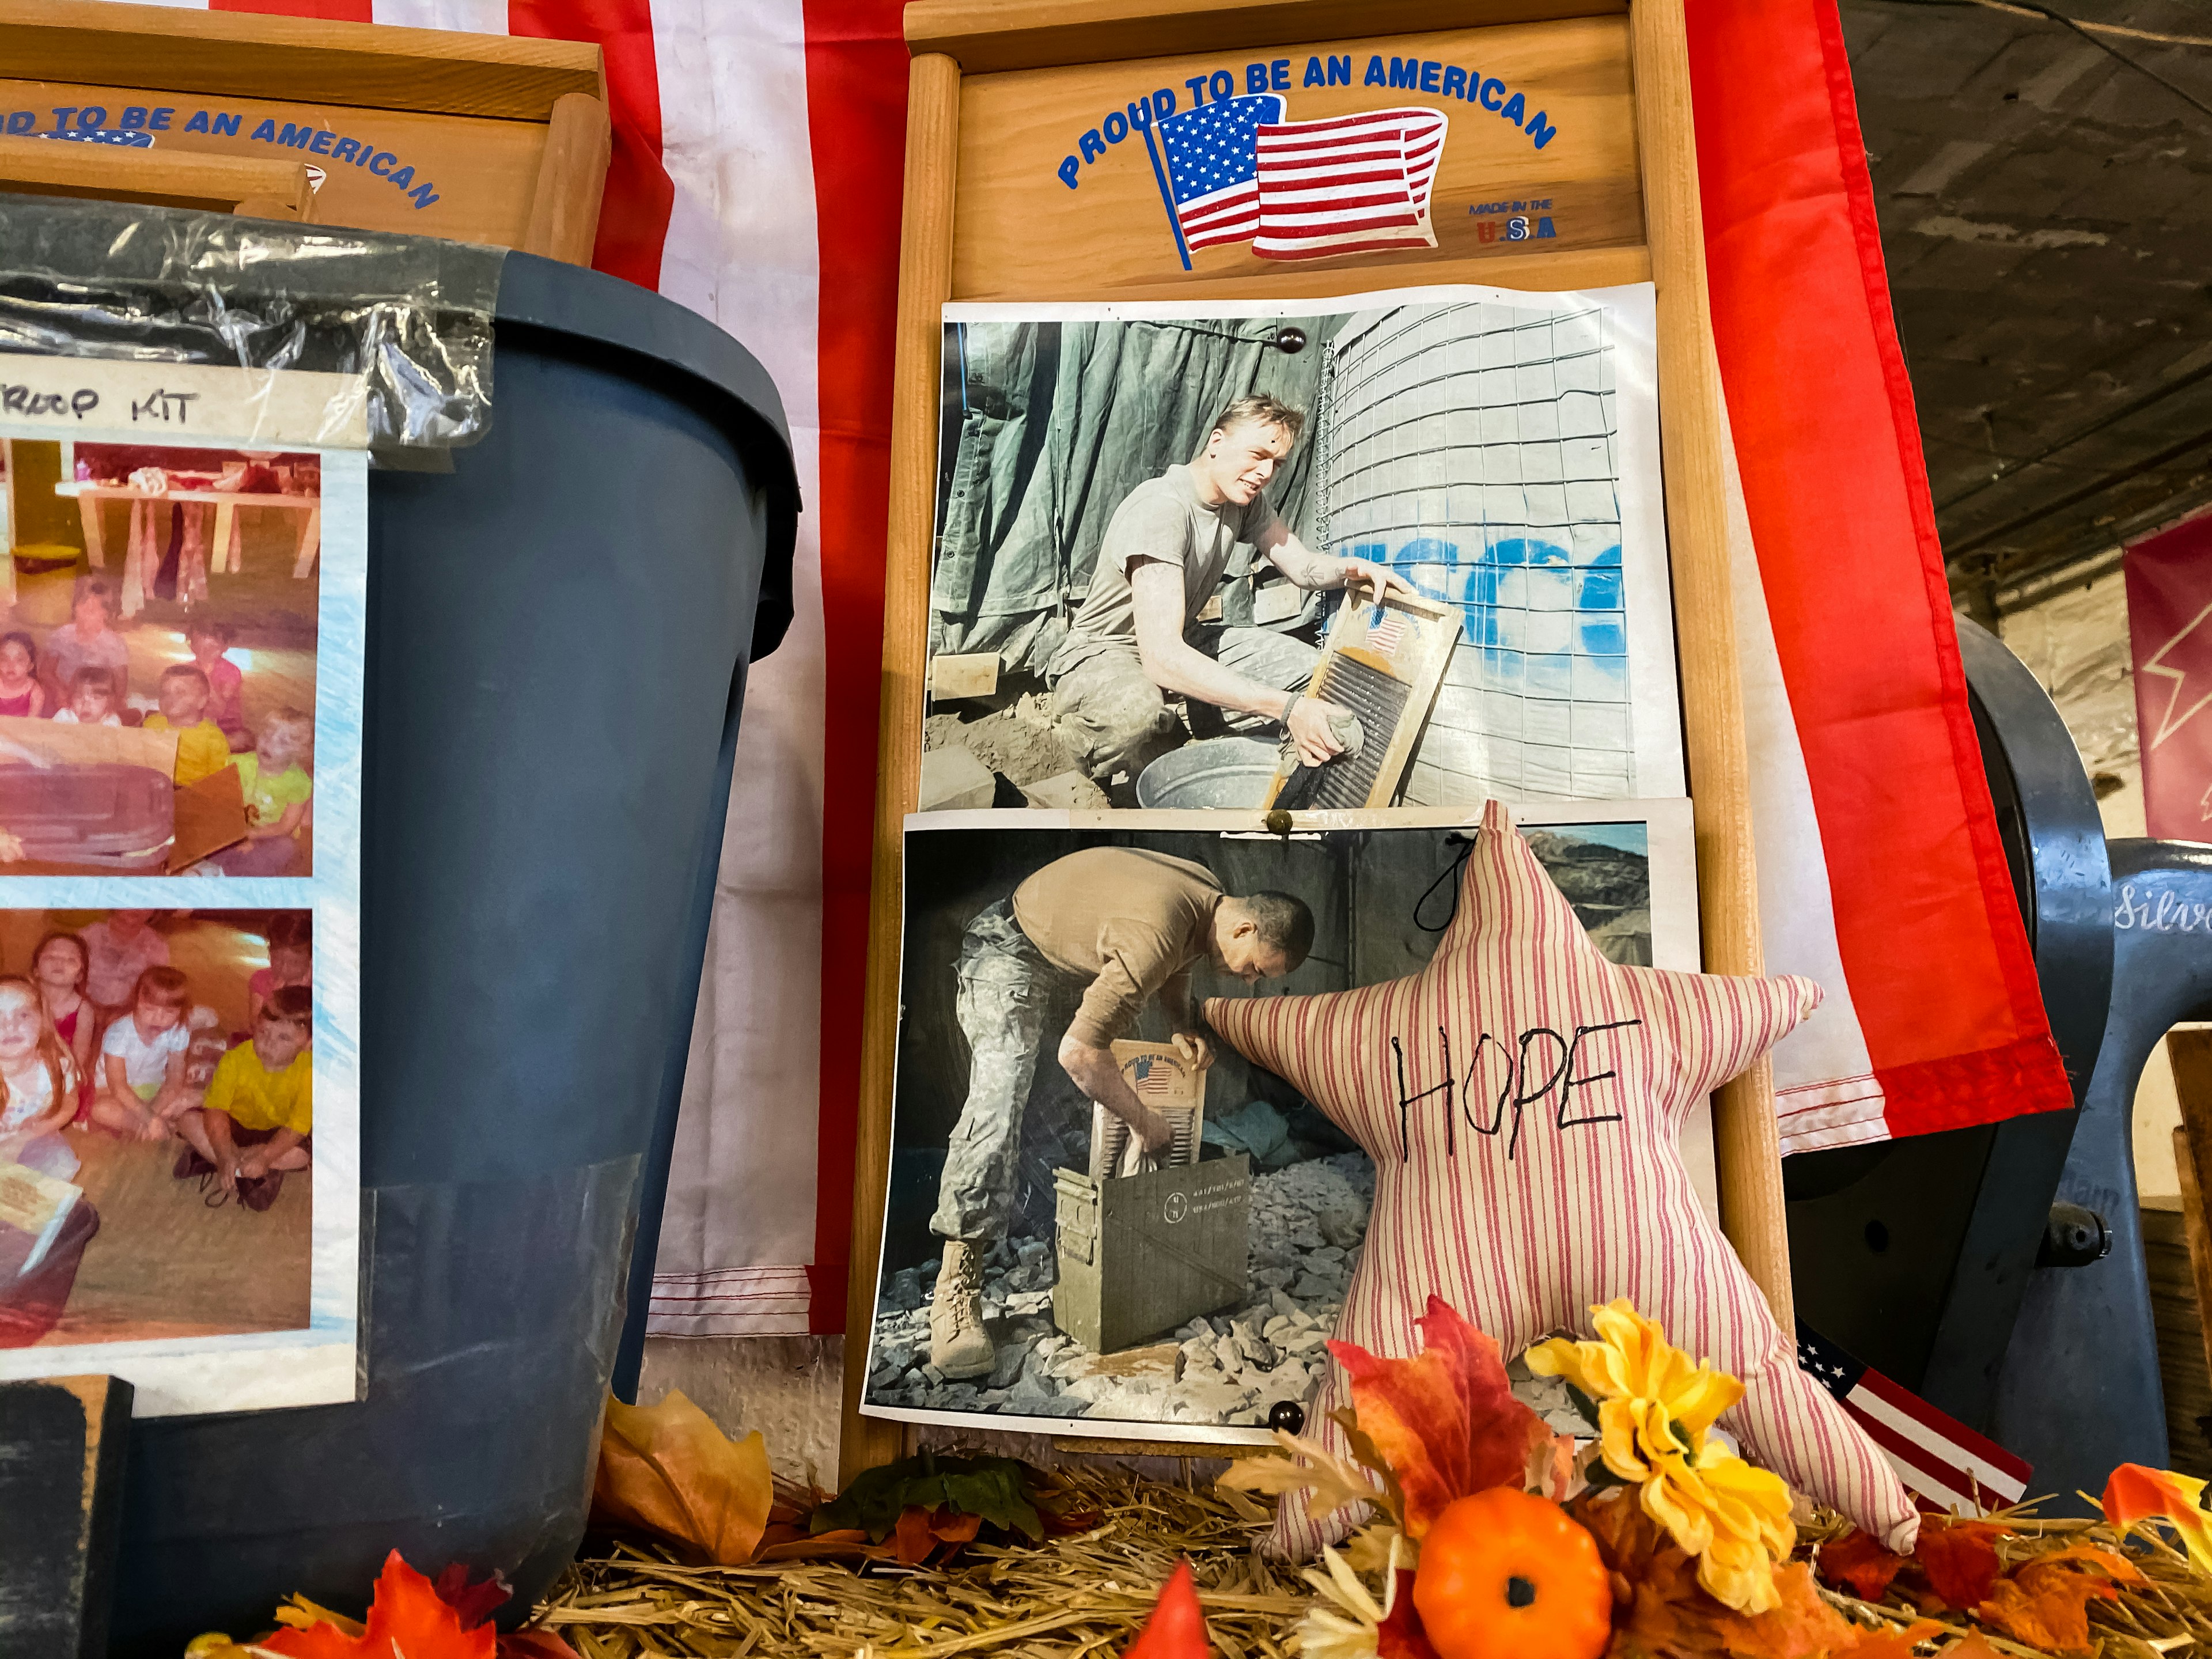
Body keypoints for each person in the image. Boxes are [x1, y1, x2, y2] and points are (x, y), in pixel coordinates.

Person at [924, 846, 1313, 1377]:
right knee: (1001, 1099)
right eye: (1253, 970)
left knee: (1093, 1096)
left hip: (1068, 961)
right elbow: (1078, 1053)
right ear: (1244, 929)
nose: (1249, 981)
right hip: (1008, 948)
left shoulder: (1207, 900)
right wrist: (1145, 1122)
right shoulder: (1157, 931)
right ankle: (956, 1292)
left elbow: (1181, 960)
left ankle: (1088, 1252)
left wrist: (1183, 1024)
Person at [1044, 395, 1417, 785]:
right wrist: (1286, 708)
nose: (1265, 472)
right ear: (1217, 443)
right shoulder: (1162, 509)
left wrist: (1353, 570)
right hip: (1107, 650)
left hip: (1181, 639)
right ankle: (1081, 753)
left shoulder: (1244, 502)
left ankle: (1185, 723)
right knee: (1136, 710)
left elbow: (1303, 567)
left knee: (1311, 671)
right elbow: (1160, 657)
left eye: (1276, 464)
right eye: (1257, 455)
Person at [175, 986, 310, 1211]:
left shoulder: (311, 1072)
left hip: (277, 1132)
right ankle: (242, 1171)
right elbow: (216, 1110)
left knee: (301, 1156)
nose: (269, 1043)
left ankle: (221, 1162)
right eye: (264, 1032)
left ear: (307, 1045)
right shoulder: (235, 1059)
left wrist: (266, 1156)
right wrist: (224, 1152)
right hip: (235, 1125)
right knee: (188, 1120)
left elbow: (297, 1127)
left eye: (284, 1038)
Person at [89, 965, 193, 1141]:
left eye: (169, 1012)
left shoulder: (179, 1031)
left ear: (181, 1010)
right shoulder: (119, 1033)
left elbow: (175, 1078)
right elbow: (118, 1087)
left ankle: (152, 1127)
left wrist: (153, 1113)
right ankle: (162, 1129)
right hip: (112, 1092)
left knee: (195, 1096)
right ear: (137, 1000)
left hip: (154, 1089)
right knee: (100, 1110)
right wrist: (150, 1118)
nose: (158, 1018)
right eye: (150, 1009)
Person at [214, 708, 313, 876]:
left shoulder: (300, 783)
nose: (269, 744)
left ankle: (224, 873)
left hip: (271, 835)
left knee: (286, 847)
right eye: (266, 736)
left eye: (283, 743)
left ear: (299, 752)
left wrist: (252, 836)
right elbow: (221, 804)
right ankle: (218, 869)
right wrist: (235, 835)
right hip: (235, 829)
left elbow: (285, 827)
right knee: (210, 832)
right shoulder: (236, 764)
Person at [0, 976, 81, 1181]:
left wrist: (23, 1139)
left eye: (24, 1015)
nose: (10, 1026)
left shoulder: (55, 1067)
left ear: (43, 1021)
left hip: (33, 1138)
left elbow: (69, 1103)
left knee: (62, 1163)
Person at [44, 578, 131, 714]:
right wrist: (59, 690)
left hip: (97, 700)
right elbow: (45, 671)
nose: (84, 615)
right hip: (64, 697)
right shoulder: (62, 636)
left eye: (92, 611)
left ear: (105, 614)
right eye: (81, 607)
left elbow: (120, 690)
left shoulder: (114, 645)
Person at [29, 933, 94, 1098]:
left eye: (70, 960)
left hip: (63, 1074)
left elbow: (79, 1059)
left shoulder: (84, 1010)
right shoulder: (24, 1001)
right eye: (51, 957)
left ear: (80, 975)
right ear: (36, 969)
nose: (59, 963)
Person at [143, 665, 230, 786]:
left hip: (191, 795)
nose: (171, 698)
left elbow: (219, 782)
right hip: (155, 788)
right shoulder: (151, 724)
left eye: (180, 693)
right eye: (165, 693)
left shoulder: (213, 738)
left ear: (202, 701)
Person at [81, 910, 168, 1012]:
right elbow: (71, 981)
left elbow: (151, 992)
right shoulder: (89, 935)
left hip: (129, 1016)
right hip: (82, 1010)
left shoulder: (157, 946)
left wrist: (120, 1015)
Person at [185, 619, 248, 747]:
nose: (206, 652)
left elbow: (219, 709)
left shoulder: (231, 672)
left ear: (225, 647)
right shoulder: (187, 670)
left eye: (211, 648)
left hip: (226, 726)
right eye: (200, 647)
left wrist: (206, 675)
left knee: (240, 740)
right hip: (196, 723)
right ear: (192, 646)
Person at [249, 914, 312, 1027]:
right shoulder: (261, 980)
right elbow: (255, 1025)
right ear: (269, 952)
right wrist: (274, 997)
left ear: (311, 960)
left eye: (295, 963)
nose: (284, 969)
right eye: (277, 960)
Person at [50, 666, 122, 726]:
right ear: (71, 699)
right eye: (79, 696)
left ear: (109, 702)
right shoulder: (65, 717)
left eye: (96, 697)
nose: (86, 703)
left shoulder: (111, 722)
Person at [0, 632, 44, 719]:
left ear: (30, 666)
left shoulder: (35, 692)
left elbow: (32, 724)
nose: (11, 665)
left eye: (19, 660)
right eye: (4, 659)